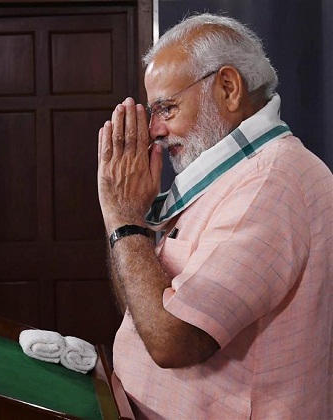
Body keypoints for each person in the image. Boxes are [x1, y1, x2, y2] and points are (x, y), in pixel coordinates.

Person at [97, 13, 332, 419]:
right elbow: (143, 310)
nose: (154, 130)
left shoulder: (270, 181)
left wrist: (124, 218)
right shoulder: (232, 177)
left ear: (228, 88)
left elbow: (171, 341)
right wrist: (126, 217)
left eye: (166, 108)